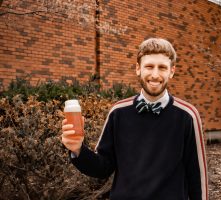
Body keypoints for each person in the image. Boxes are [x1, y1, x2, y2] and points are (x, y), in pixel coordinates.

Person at [61, 38, 208, 200]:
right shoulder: (118, 112)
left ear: (172, 71)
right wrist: (78, 149)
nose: (155, 74)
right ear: (138, 69)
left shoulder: (187, 116)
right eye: (149, 66)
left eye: (162, 68)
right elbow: (103, 168)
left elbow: (197, 178)